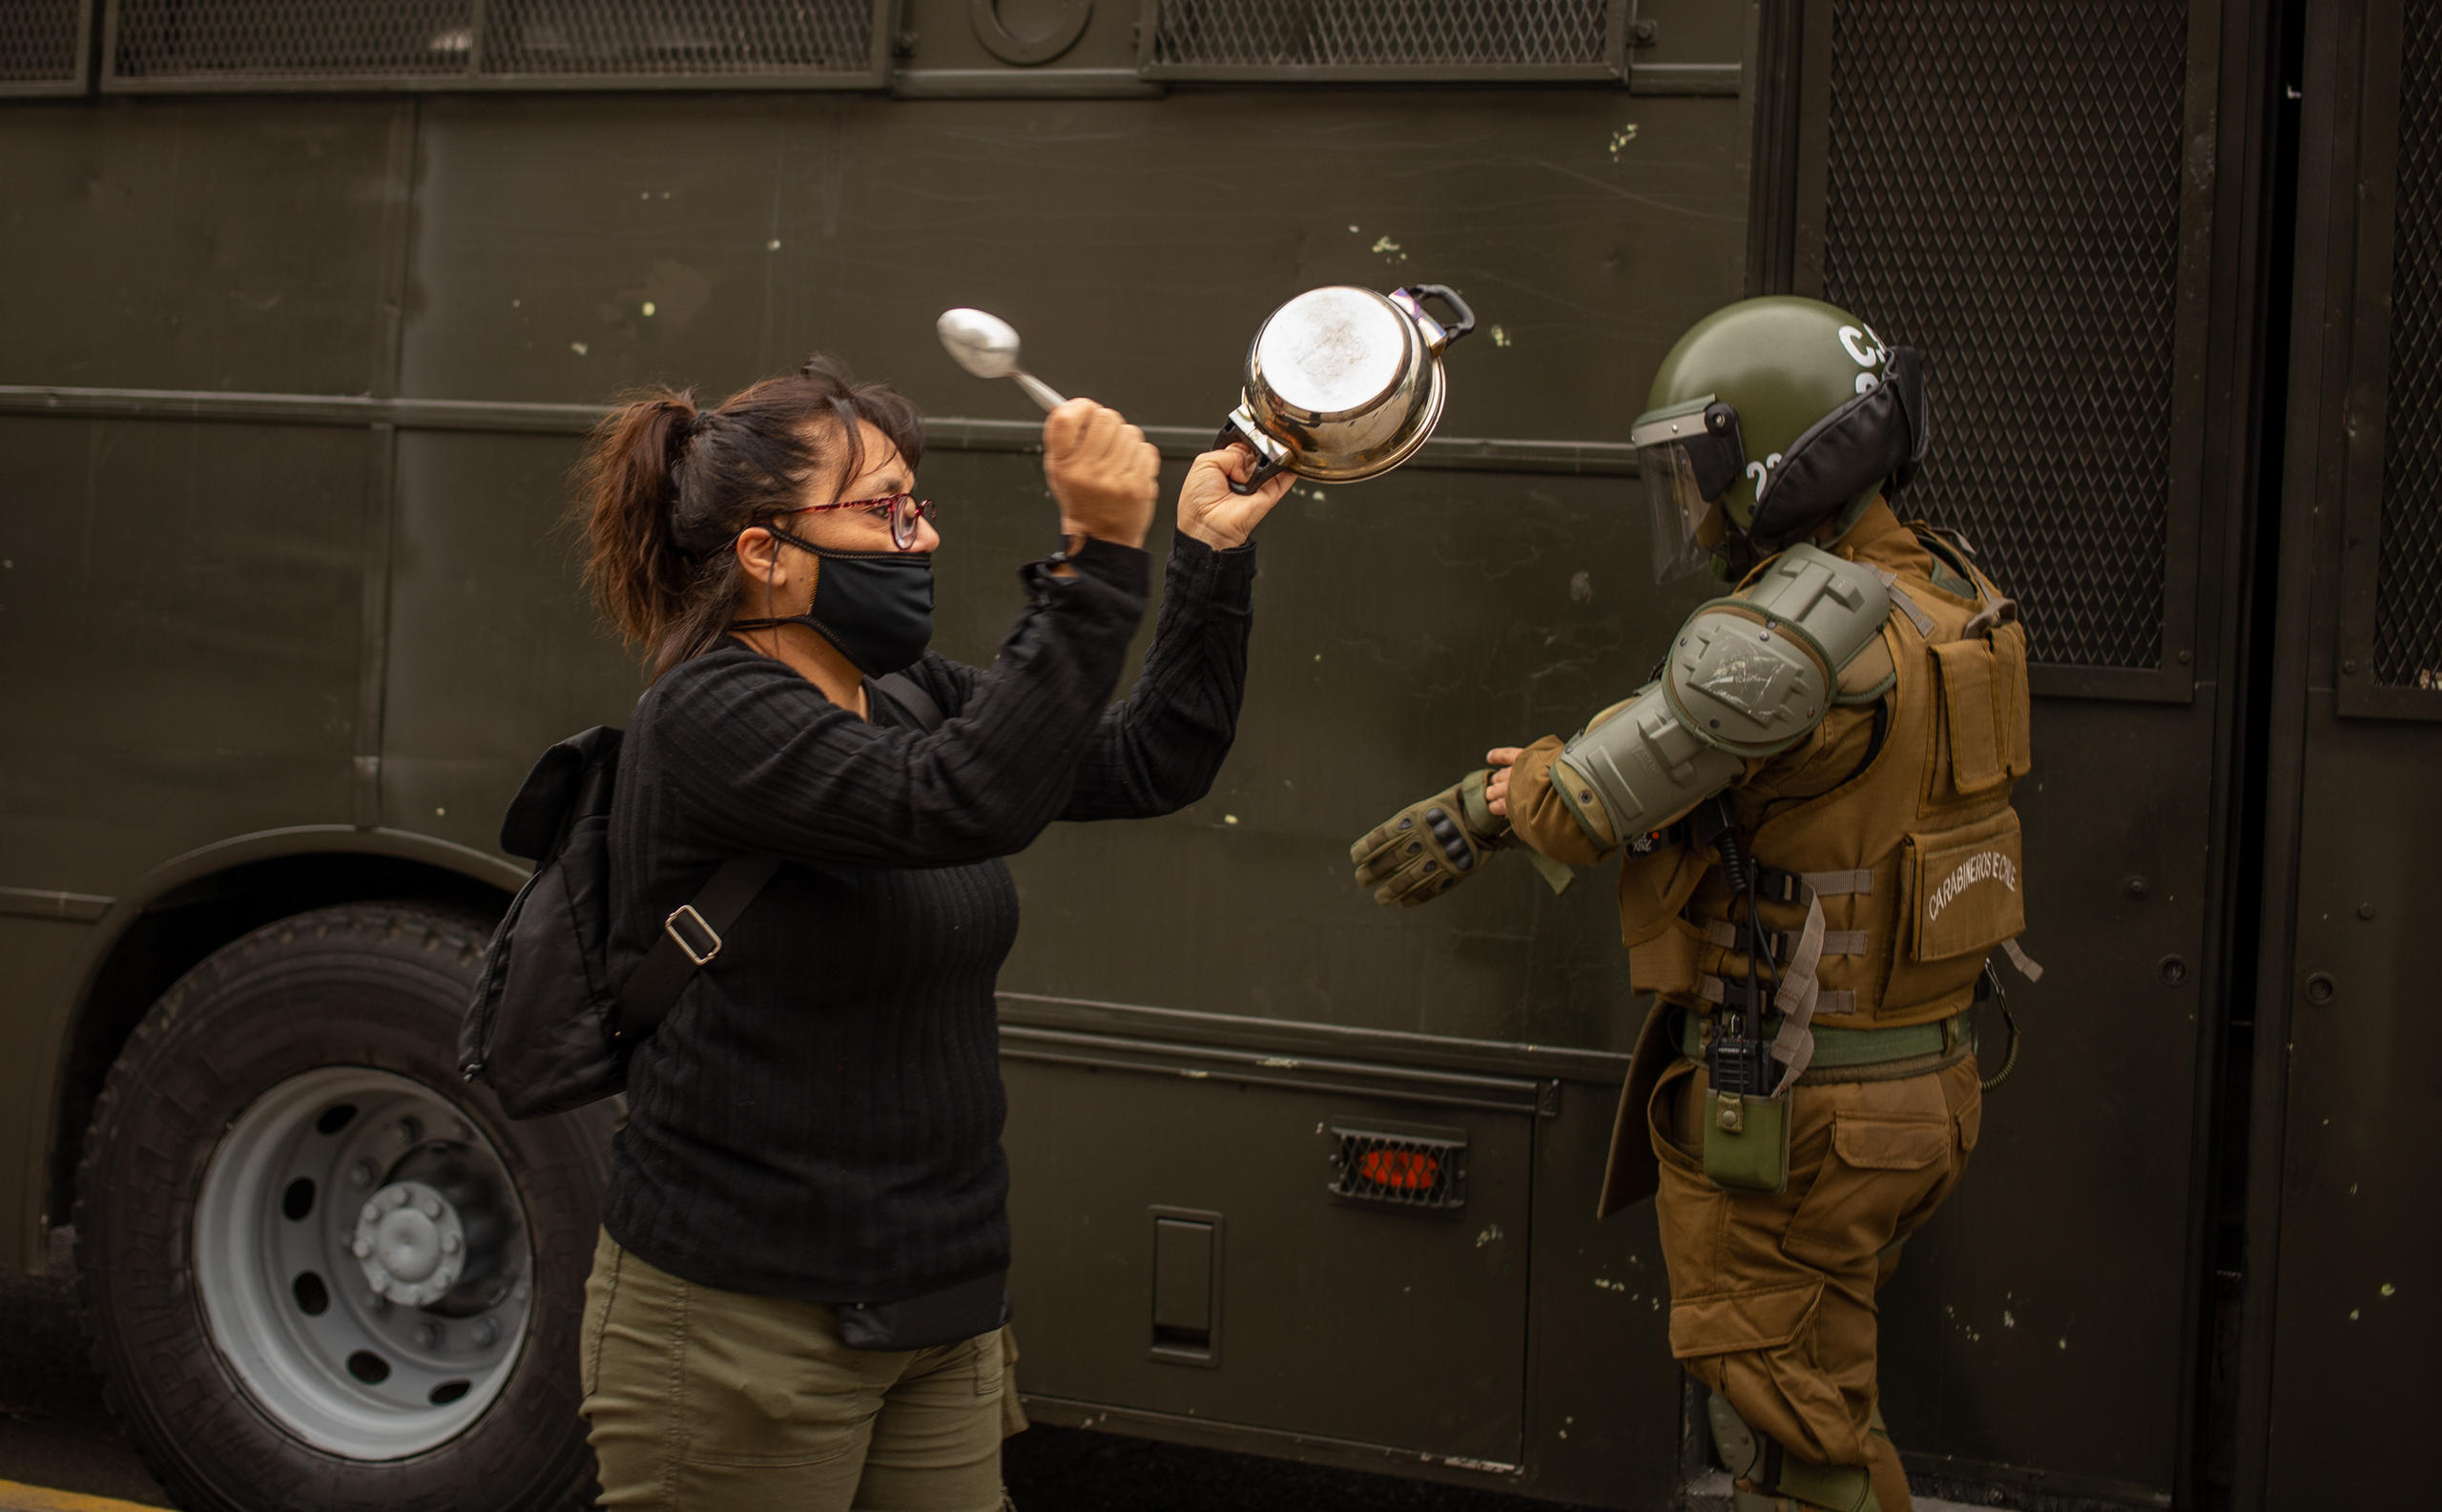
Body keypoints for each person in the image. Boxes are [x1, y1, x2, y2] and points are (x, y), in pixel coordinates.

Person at [1350, 298, 2038, 1512]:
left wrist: (1512, 794)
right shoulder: (1947, 593)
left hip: (1806, 1114)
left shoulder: (1784, 639)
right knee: (1827, 1401)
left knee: (1784, 1438)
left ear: (1779, 461)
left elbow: (1585, 807)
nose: (1692, 502)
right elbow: (1736, 761)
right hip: (1927, 1083)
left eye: (1700, 470)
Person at [571, 356, 1293, 1510]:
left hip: (937, 1308)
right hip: (742, 1326)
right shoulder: (709, 713)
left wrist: (1206, 551)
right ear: (762, 549)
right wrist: (1095, 552)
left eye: (919, 503)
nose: (916, 536)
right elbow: (962, 800)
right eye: (880, 508)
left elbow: (1153, 756)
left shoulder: (902, 692)